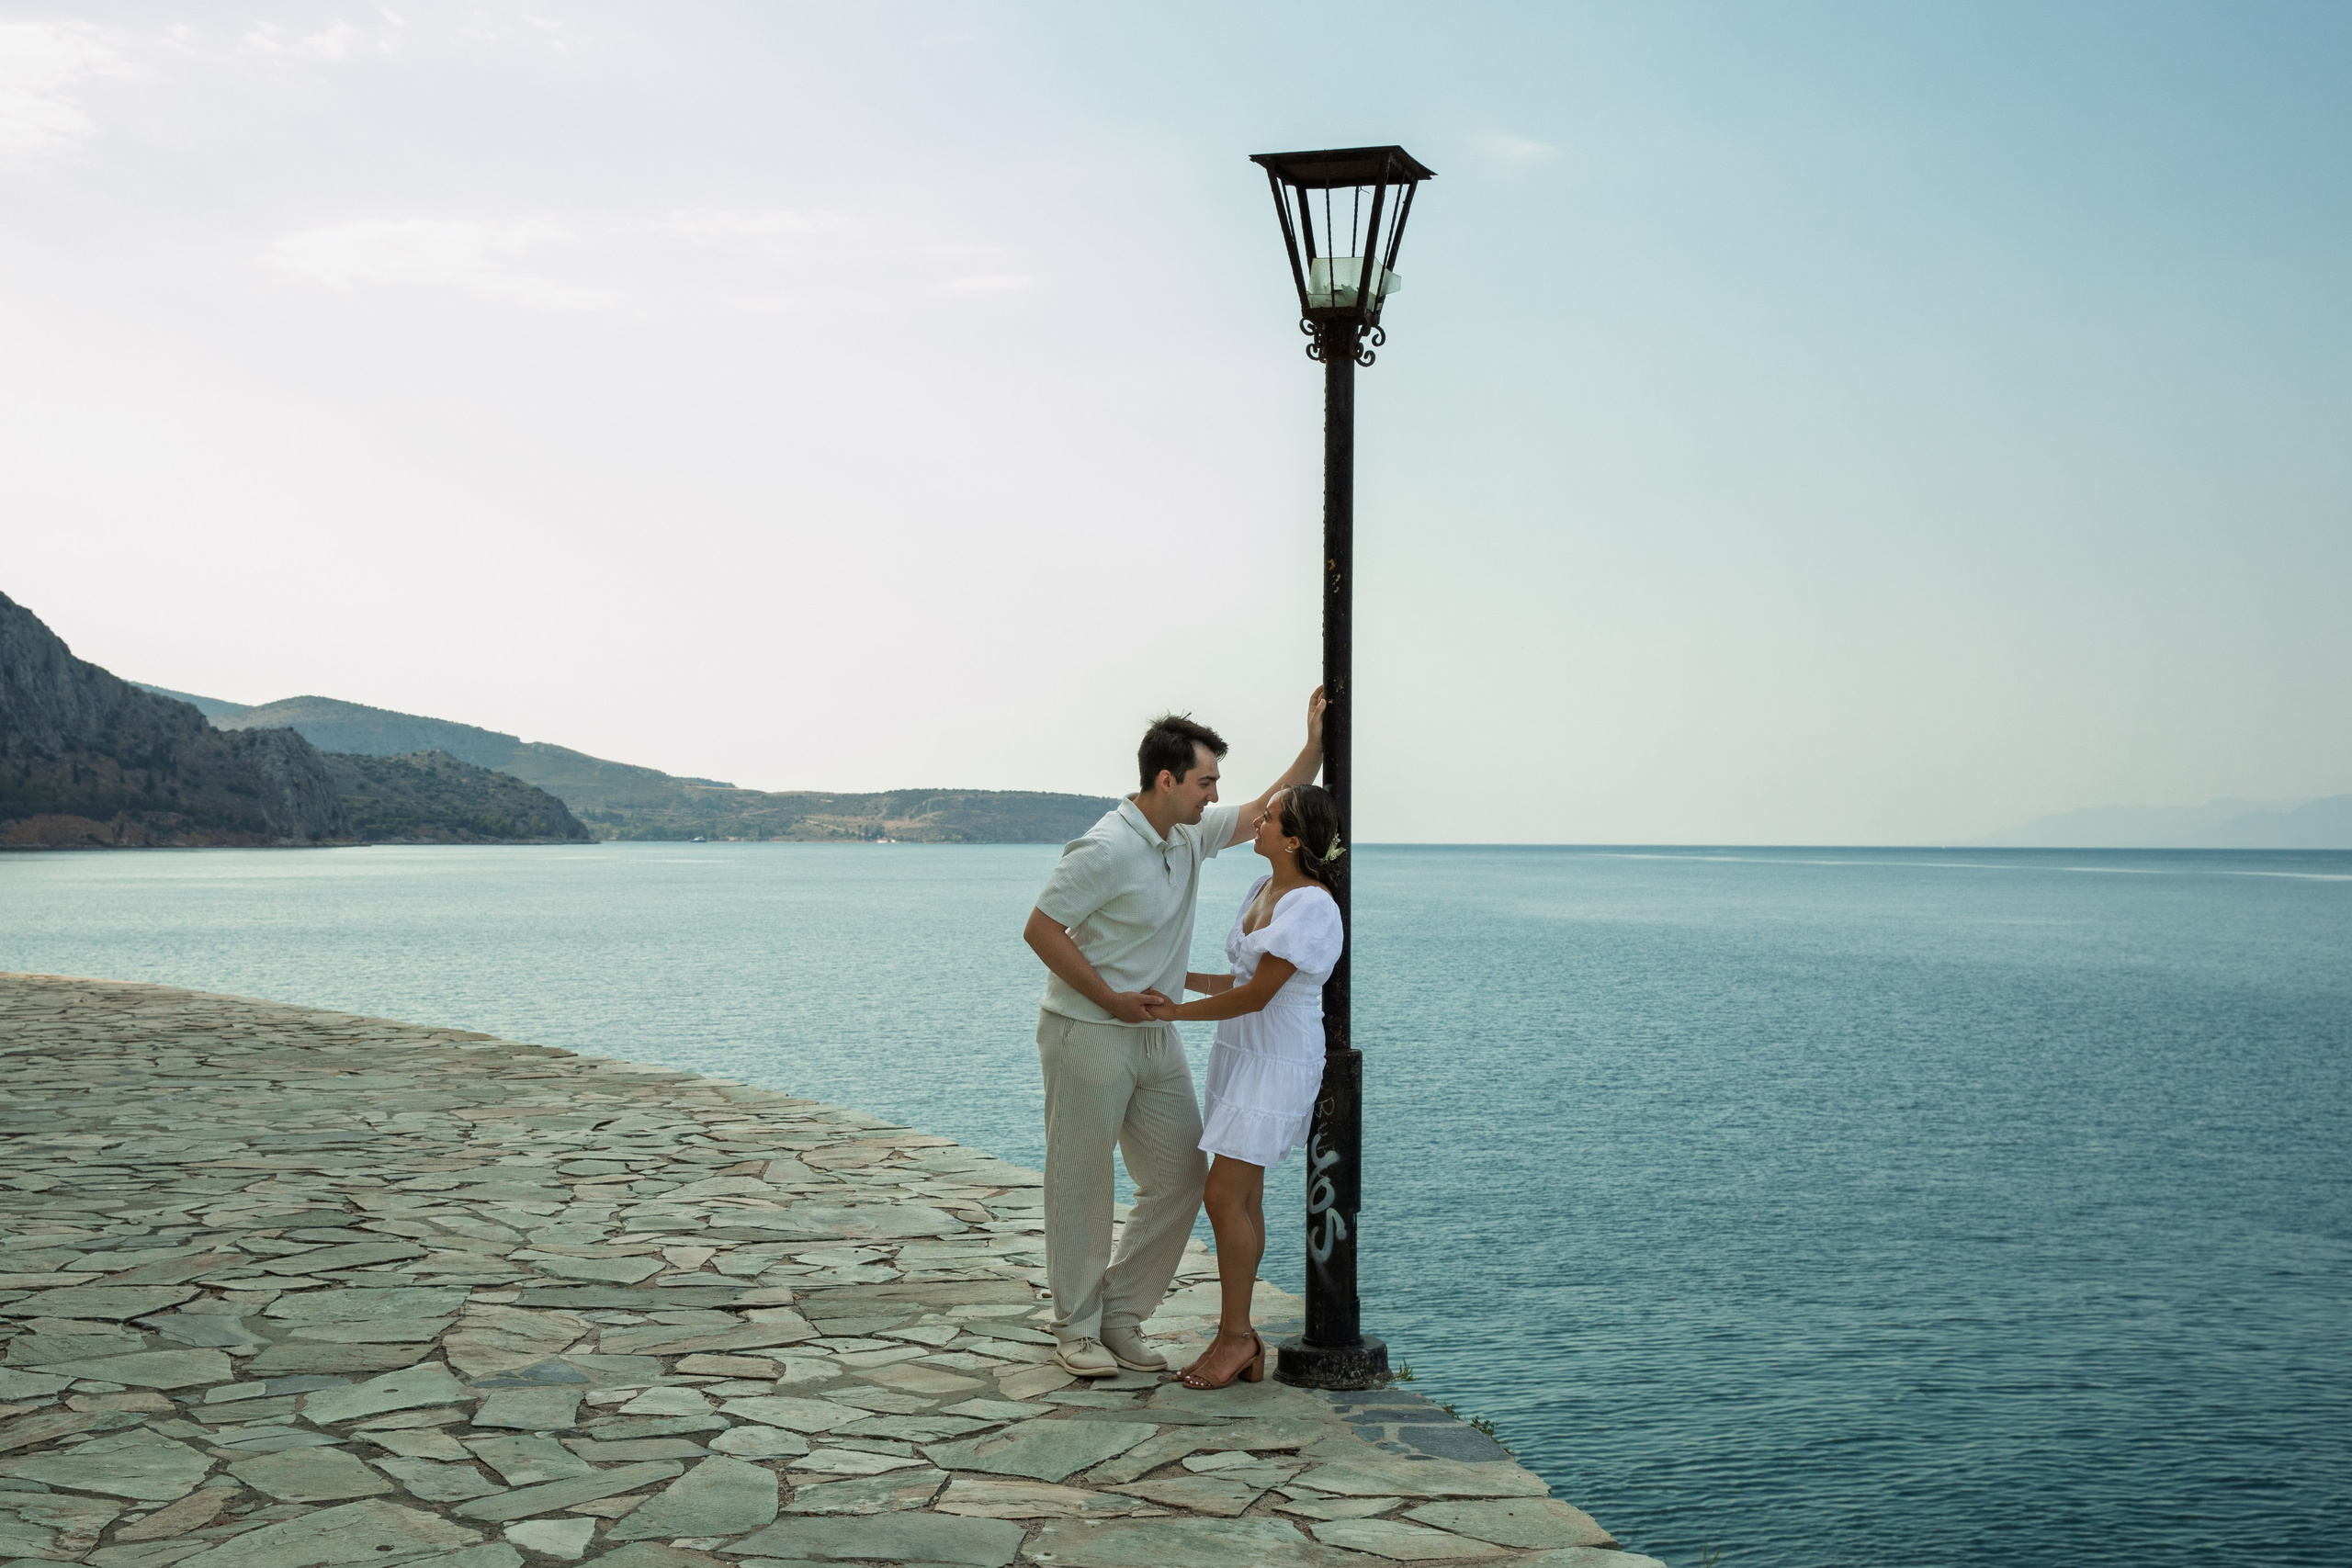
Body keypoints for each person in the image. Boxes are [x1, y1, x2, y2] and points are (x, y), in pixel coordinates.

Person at [1022, 690, 1327, 1379]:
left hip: (1155, 1034)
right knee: (1082, 1181)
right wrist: (1109, 997)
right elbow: (1041, 927)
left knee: (1183, 1175)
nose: (1215, 794)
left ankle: (1120, 1312)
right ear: (1168, 779)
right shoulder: (1103, 847)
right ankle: (1076, 1327)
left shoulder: (1186, 830)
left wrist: (1312, 745)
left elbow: (1263, 814)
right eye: (1206, 780)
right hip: (1085, 1030)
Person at [1142, 783, 1348, 1389]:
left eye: (1269, 816)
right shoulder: (1263, 888)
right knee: (1242, 1197)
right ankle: (1239, 1336)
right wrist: (1170, 978)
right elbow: (1237, 979)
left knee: (1222, 1195)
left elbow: (1259, 995)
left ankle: (1238, 1336)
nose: (1255, 819)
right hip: (1241, 1051)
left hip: (1277, 1059)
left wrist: (1173, 1014)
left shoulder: (1312, 906)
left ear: (1291, 839)